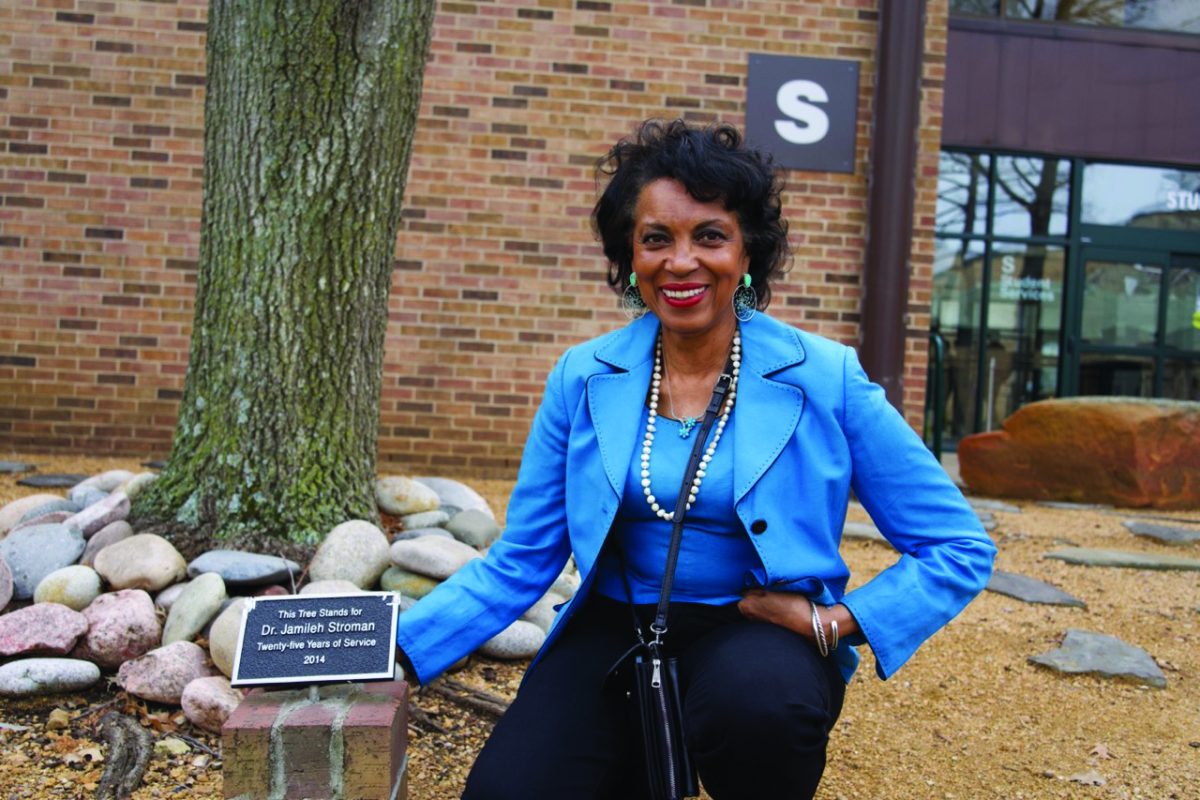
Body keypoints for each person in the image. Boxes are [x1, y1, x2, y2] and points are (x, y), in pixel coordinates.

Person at [394, 119, 996, 799]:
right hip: (613, 624)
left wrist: (834, 622)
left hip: (755, 631)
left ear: (746, 255)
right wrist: (399, 652)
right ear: (631, 255)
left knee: (761, 709)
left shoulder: (826, 378)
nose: (681, 262)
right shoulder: (582, 376)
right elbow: (522, 560)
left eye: (709, 235)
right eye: (657, 239)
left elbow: (957, 545)